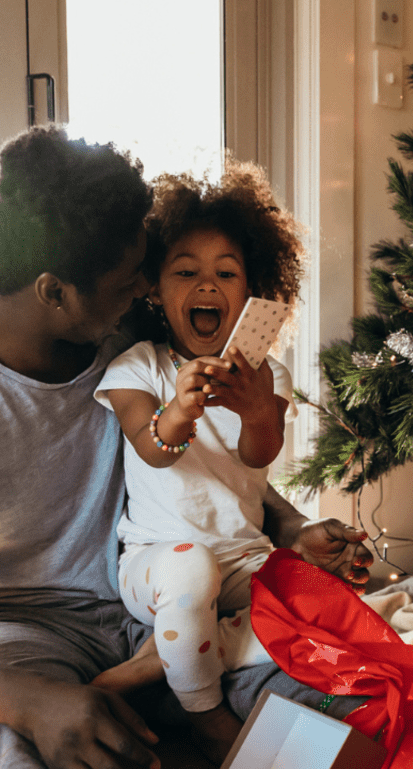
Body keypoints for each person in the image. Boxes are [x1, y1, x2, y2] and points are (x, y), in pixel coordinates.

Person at [0, 125, 372, 769]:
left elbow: (209, 468)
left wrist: (291, 527)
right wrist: (31, 702)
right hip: (10, 635)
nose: (149, 290)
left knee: (346, 732)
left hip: (159, 610)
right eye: (129, 280)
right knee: (22, 752)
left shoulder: (125, 338)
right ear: (54, 292)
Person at [89, 162, 306, 761]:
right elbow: (153, 449)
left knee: (314, 604)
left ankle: (157, 664)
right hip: (159, 564)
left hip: (241, 555)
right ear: (157, 290)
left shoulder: (268, 374)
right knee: (193, 573)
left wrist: (260, 410)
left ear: (251, 290)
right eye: (186, 272)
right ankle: (206, 712)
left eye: (226, 273)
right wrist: (180, 411)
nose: (207, 285)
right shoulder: (139, 367)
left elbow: (259, 455)